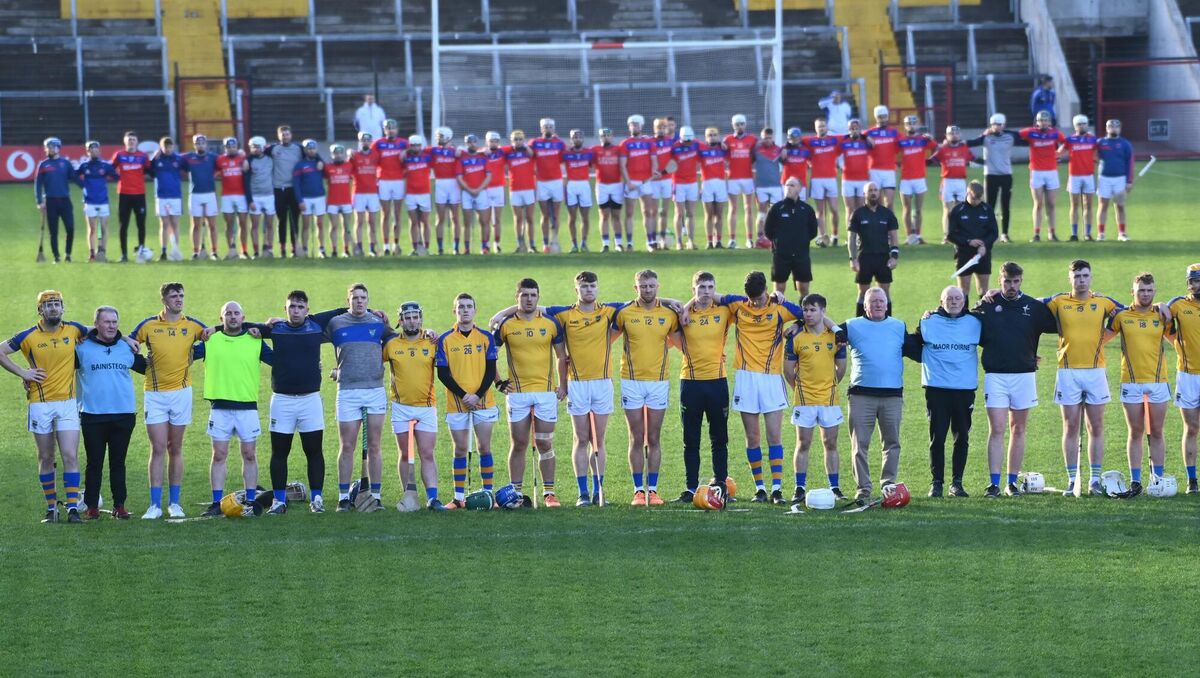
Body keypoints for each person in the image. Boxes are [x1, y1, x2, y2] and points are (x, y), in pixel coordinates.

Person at [254, 290, 346, 514]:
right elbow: (241, 325)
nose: (296, 311)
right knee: (279, 452)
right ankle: (279, 501)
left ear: (307, 310)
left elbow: (344, 311)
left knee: (314, 450)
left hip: (310, 400)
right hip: (282, 401)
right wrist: (212, 330)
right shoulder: (276, 328)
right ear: (285, 309)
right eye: (292, 307)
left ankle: (317, 499)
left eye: (300, 307)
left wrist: (376, 313)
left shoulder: (316, 324)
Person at [541, 272, 628, 506]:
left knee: (598, 440)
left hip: (602, 383)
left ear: (597, 288)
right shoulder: (564, 313)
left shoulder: (609, 311)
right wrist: (501, 314)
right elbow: (530, 307)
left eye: (592, 286)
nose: (589, 290)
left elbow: (640, 302)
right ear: (576, 290)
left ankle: (599, 490)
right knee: (580, 439)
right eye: (584, 287)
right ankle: (583, 494)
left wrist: (678, 305)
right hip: (576, 384)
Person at [0, 291, 87, 523]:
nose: (53, 308)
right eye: (48, 305)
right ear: (40, 310)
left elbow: (103, 333)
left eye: (57, 304)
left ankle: (72, 509)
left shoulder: (75, 330)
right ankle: (51, 508)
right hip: (40, 405)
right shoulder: (27, 336)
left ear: (63, 308)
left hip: (68, 404)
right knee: (46, 456)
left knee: (70, 455)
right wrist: (23, 372)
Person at [972, 261, 1057, 497]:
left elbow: (1063, 322)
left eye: (1015, 281)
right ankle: (994, 483)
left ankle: (1011, 483)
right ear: (1000, 280)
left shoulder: (1033, 306)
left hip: (1024, 376)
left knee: (1018, 429)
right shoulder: (987, 305)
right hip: (996, 376)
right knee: (997, 428)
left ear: (1021, 281)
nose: (1011, 286)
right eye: (1007, 281)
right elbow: (963, 322)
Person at [719, 272, 804, 504]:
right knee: (752, 437)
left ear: (767, 290)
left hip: (771, 378)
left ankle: (777, 488)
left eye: (758, 298)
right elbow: (707, 297)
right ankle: (760, 488)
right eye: (752, 299)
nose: (755, 303)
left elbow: (810, 314)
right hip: (746, 378)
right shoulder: (738, 304)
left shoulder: (779, 306)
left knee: (774, 435)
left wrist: (796, 326)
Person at [1043, 260, 1123, 496]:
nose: (1081, 280)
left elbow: (1129, 312)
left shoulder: (1103, 302)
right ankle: (1072, 479)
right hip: (1067, 372)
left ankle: (1094, 480)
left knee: (1095, 425)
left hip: (1095, 371)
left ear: (1091, 278)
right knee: (1070, 426)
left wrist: (1104, 338)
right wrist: (995, 292)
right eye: (1077, 276)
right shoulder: (1058, 301)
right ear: (1070, 278)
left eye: (1085, 276)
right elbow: (1026, 305)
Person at [134, 282, 206, 519]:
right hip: (154, 394)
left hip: (182, 393)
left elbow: (214, 337)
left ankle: (174, 503)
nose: (179, 299)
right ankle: (154, 505)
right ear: (163, 300)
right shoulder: (148, 325)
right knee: (157, 448)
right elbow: (128, 342)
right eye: (174, 296)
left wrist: (195, 355)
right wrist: (140, 364)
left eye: (181, 296)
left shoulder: (193, 325)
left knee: (175, 447)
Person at [195, 301, 273, 517]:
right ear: (221, 319)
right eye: (227, 314)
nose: (232, 317)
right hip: (219, 408)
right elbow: (186, 354)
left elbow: (278, 360)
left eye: (236, 313)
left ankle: (250, 500)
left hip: (247, 408)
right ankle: (216, 503)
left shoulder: (255, 340)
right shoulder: (211, 340)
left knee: (249, 454)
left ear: (243, 317)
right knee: (219, 454)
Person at [494, 279, 568, 506]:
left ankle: (549, 492)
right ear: (517, 297)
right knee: (519, 444)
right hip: (517, 394)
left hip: (546, 393)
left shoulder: (551, 323)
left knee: (545, 443)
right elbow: (491, 356)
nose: (528, 299)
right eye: (524, 295)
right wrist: (499, 382)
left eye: (533, 295)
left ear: (538, 297)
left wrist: (563, 385)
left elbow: (560, 356)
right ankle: (516, 492)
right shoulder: (506, 325)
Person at [905, 286, 981, 497]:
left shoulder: (976, 323)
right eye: (949, 298)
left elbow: (997, 341)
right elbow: (911, 345)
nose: (954, 301)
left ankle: (957, 483)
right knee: (937, 437)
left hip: (964, 389)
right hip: (936, 388)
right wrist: (927, 360)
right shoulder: (928, 322)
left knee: (962, 437)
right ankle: (936, 483)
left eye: (958, 298)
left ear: (964, 301)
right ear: (941, 302)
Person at [326, 283, 396, 512]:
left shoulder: (378, 323)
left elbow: (401, 342)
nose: (359, 301)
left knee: (375, 445)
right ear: (348, 300)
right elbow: (308, 333)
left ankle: (375, 496)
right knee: (347, 446)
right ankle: (343, 498)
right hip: (347, 391)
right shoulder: (336, 323)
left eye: (363, 298)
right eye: (355, 298)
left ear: (368, 300)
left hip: (375, 390)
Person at [613, 270, 680, 505]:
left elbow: (682, 343)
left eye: (651, 286)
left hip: (659, 382)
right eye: (643, 286)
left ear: (658, 286)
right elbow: (603, 341)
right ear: (636, 288)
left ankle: (653, 489)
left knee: (653, 437)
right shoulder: (624, 313)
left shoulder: (669, 314)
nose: (647, 290)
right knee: (635, 436)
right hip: (630, 381)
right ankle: (638, 490)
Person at [76, 306, 146, 520]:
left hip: (124, 415)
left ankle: (120, 505)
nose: (111, 326)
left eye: (114, 322)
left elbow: (147, 368)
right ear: (96, 324)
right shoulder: (81, 348)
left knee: (118, 462)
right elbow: (60, 368)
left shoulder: (126, 348)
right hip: (92, 415)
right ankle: (91, 506)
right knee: (94, 462)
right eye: (106, 322)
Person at [1107, 273, 1171, 498]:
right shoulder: (1122, 316)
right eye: (1141, 290)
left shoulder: (1162, 315)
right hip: (1131, 382)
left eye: (1149, 290)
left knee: (1157, 432)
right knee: (1135, 432)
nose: (1145, 294)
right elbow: (1100, 339)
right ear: (1132, 292)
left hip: (1158, 382)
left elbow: (1179, 342)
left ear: (1154, 292)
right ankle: (1135, 481)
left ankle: (1157, 479)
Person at [672, 271, 733, 502]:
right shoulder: (682, 315)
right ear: (693, 290)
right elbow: (667, 304)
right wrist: (685, 308)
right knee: (691, 439)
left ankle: (720, 485)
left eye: (710, 287)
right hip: (690, 383)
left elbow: (740, 300)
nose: (706, 292)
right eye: (701, 287)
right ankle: (691, 488)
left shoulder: (725, 311)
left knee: (719, 438)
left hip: (718, 382)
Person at [435, 293, 499, 508]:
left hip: (484, 402)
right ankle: (458, 497)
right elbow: (443, 374)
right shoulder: (445, 339)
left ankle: (488, 494)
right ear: (454, 311)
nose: (464, 310)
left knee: (484, 448)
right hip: (457, 404)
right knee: (460, 449)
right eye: (460, 307)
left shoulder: (485, 338)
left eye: (469, 306)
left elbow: (491, 371)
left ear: (475, 311)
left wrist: (477, 396)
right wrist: (464, 396)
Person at [843, 287, 906, 501]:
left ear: (887, 305)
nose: (878, 305)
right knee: (859, 444)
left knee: (892, 443)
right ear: (865, 306)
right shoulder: (852, 326)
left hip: (892, 396)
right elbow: (825, 327)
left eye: (881, 301)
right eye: (873, 302)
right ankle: (863, 488)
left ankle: (889, 486)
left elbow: (919, 347)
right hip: (861, 395)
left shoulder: (898, 326)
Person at [784, 293, 847, 504]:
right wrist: (801, 388)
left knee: (830, 443)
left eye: (813, 310)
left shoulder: (834, 336)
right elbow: (788, 371)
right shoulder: (796, 336)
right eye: (806, 310)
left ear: (823, 312)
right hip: (805, 400)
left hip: (829, 399)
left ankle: (835, 487)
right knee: (803, 443)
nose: (808, 314)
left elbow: (842, 368)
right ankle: (799, 487)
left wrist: (830, 384)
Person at [383, 301, 446, 510]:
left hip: (426, 407)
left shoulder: (432, 342)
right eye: (407, 318)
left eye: (415, 317)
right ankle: (409, 494)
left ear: (421, 318)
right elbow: (372, 363)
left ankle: (432, 497)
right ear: (400, 321)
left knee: (427, 453)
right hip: (401, 407)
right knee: (404, 454)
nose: (412, 321)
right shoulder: (391, 344)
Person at [966, 113, 1024, 243]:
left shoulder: (1010, 136)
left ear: (1003, 125)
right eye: (993, 124)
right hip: (991, 175)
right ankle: (991, 234)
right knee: (989, 206)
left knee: (1005, 205)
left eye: (999, 124)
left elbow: (1025, 139)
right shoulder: (985, 137)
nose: (996, 127)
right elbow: (971, 143)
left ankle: (1005, 233)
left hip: (1006, 175)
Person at [1168, 264, 1200, 493]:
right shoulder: (1178, 305)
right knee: (1191, 427)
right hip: (1187, 375)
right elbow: (1160, 323)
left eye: (1198, 281)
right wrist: (1177, 345)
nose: (1195, 286)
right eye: (1192, 281)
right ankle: (1192, 480)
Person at [847, 182, 900, 316]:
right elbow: (851, 238)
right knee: (862, 292)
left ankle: (887, 323)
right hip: (864, 258)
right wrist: (853, 259)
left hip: (883, 258)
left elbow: (894, 236)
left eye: (875, 190)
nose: (873, 193)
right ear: (864, 194)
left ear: (879, 193)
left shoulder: (887, 214)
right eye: (870, 190)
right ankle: (860, 322)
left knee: (885, 292)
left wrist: (894, 256)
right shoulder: (857, 214)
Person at [764, 177, 819, 299]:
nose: (788, 187)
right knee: (778, 291)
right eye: (787, 185)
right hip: (781, 255)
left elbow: (813, 231)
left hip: (801, 255)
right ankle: (777, 316)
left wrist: (801, 241)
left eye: (792, 185)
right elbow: (768, 231)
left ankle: (804, 316)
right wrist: (781, 242)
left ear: (800, 188)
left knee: (804, 289)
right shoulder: (776, 209)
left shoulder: (807, 209)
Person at [946, 180, 999, 297]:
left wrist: (984, 244)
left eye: (979, 199)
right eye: (974, 198)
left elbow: (994, 233)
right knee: (963, 291)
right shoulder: (958, 210)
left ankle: (982, 314)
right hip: (964, 254)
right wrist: (968, 241)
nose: (976, 201)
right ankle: (963, 314)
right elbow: (950, 234)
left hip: (983, 254)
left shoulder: (987, 209)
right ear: (967, 193)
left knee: (984, 290)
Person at [1019, 111, 1065, 242]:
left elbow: (1065, 142)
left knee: (1051, 204)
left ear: (1049, 122)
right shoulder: (1030, 132)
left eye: (1046, 120)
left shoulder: (1055, 133)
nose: (1043, 123)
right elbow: (1017, 135)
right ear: (1037, 122)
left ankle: (1052, 233)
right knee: (1038, 204)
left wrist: (1059, 153)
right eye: (1041, 120)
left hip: (1051, 172)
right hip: (1036, 172)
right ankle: (1036, 234)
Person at [34, 137, 76, 263]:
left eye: (52, 147)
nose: (49, 149)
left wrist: (88, 187)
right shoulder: (43, 164)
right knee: (53, 231)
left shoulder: (66, 163)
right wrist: (39, 201)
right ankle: (56, 256)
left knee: (70, 228)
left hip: (65, 201)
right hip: (50, 202)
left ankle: (68, 254)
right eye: (48, 147)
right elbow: (38, 184)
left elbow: (75, 178)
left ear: (58, 148)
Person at [76, 140, 119, 262]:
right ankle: (92, 253)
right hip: (89, 201)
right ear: (87, 151)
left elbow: (117, 176)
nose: (94, 152)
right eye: (91, 150)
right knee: (92, 229)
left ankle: (102, 252)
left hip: (103, 201)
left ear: (99, 151)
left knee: (104, 228)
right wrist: (83, 185)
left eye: (96, 150)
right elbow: (74, 176)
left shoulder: (105, 166)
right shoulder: (84, 166)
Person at [111, 131, 152, 261]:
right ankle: (124, 255)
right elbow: (110, 169)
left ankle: (141, 251)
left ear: (137, 141)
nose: (131, 141)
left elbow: (149, 170)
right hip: (124, 194)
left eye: (133, 139)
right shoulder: (119, 155)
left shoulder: (143, 156)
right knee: (123, 225)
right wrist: (119, 178)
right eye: (129, 139)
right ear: (125, 141)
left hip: (139, 194)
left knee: (141, 224)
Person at [619, 115, 657, 251]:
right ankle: (629, 243)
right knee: (629, 213)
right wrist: (628, 182)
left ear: (641, 126)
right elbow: (622, 165)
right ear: (629, 127)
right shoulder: (625, 144)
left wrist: (654, 172)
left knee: (648, 212)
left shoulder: (649, 143)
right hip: (631, 182)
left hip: (646, 182)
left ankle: (650, 241)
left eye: (637, 124)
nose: (635, 127)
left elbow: (654, 161)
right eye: (632, 125)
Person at [896, 115, 935, 245]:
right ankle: (909, 236)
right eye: (909, 124)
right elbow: (892, 151)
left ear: (917, 125)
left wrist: (930, 137)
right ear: (905, 126)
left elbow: (936, 146)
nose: (911, 126)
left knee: (918, 209)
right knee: (906, 209)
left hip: (919, 179)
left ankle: (918, 235)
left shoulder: (923, 140)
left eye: (914, 123)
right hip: (906, 179)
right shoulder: (901, 140)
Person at [371, 119, 408, 255]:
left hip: (398, 181)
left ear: (397, 129)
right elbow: (370, 158)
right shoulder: (378, 143)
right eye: (388, 128)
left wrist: (407, 152)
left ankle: (396, 245)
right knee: (385, 214)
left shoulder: (404, 143)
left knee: (397, 214)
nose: (391, 130)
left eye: (393, 128)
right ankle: (386, 245)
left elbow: (415, 154)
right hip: (383, 181)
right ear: (384, 130)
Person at [802, 118, 841, 247]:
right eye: (819, 127)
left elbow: (850, 135)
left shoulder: (834, 140)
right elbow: (794, 141)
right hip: (817, 179)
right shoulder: (810, 141)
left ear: (826, 127)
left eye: (823, 126)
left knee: (834, 209)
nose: (821, 128)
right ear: (815, 128)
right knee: (820, 211)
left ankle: (835, 235)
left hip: (831, 178)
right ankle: (823, 237)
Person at [181, 134, 220, 260]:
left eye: (202, 143)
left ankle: (214, 252)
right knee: (196, 225)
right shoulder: (188, 157)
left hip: (210, 194)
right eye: (198, 143)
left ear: (206, 144)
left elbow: (224, 163)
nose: (200, 145)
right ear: (194, 144)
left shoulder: (213, 157)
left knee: (212, 225)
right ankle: (195, 252)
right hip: (195, 194)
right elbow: (174, 159)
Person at [1061, 115, 1098, 242]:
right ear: (1075, 126)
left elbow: (1097, 154)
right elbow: (1060, 152)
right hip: (1074, 176)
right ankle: (1074, 234)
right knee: (1074, 204)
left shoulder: (1093, 139)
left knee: (1088, 205)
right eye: (1079, 124)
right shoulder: (1070, 139)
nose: (1081, 126)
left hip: (1088, 175)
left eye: (1083, 123)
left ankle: (1087, 233)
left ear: (1087, 125)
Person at [1096, 119, 1135, 242]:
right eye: (1110, 126)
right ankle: (1101, 233)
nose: (1113, 129)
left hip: (1120, 179)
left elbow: (1130, 163)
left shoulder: (1125, 144)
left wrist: (1129, 181)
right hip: (1104, 178)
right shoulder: (1100, 143)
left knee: (1120, 206)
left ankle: (1122, 233)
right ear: (1106, 128)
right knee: (1102, 205)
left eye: (1116, 127)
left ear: (1120, 128)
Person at [530, 118, 565, 253]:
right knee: (544, 215)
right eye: (546, 127)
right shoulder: (534, 143)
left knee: (555, 215)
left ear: (554, 129)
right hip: (542, 183)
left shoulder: (559, 143)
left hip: (556, 182)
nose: (548, 129)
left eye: (550, 127)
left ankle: (554, 240)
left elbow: (562, 158)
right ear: (541, 128)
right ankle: (545, 243)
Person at [931, 125, 971, 243]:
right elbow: (933, 160)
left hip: (961, 181)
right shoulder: (943, 149)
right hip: (947, 181)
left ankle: (959, 233)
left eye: (956, 133)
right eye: (951, 133)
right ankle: (947, 235)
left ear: (960, 135)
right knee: (947, 209)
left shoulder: (964, 148)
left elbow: (971, 158)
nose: (954, 135)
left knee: (961, 209)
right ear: (946, 136)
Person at [146, 136, 184, 261]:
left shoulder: (178, 159)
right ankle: (163, 251)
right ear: (161, 148)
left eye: (170, 146)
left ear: (173, 147)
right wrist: (152, 160)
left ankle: (176, 250)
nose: (168, 149)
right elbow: (148, 172)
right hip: (161, 196)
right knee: (164, 224)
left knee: (175, 224)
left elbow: (190, 164)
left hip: (175, 196)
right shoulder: (157, 160)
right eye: (165, 147)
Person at [724, 113, 758, 249]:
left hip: (748, 178)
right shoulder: (727, 140)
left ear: (745, 124)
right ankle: (732, 239)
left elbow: (755, 157)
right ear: (733, 125)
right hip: (733, 178)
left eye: (742, 124)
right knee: (732, 209)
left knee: (748, 208)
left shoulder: (752, 139)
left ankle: (749, 238)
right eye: (737, 124)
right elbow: (724, 156)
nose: (739, 126)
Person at [216, 137, 251, 259]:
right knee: (229, 224)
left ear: (237, 147)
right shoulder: (220, 160)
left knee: (243, 223)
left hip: (241, 195)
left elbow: (248, 169)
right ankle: (231, 249)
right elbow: (213, 171)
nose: (231, 149)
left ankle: (244, 251)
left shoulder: (243, 158)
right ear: (225, 148)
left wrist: (245, 158)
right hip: (226, 195)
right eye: (228, 147)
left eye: (233, 146)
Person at [458, 134, 492, 256]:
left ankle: (485, 247)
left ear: (477, 143)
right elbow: (459, 177)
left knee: (484, 221)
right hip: (467, 193)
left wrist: (479, 189)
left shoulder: (483, 157)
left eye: (474, 142)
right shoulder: (462, 158)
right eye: (469, 142)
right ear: (466, 144)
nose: (472, 144)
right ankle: (466, 248)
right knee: (467, 223)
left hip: (481, 192)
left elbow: (488, 176)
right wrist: (469, 189)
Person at [504, 130, 538, 253]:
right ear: (512, 141)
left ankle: (532, 245)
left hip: (529, 188)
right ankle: (520, 244)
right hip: (515, 189)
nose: (518, 142)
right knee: (518, 218)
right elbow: (496, 150)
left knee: (529, 218)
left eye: (520, 139)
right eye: (515, 139)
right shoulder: (508, 152)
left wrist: (525, 146)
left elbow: (531, 153)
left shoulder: (528, 151)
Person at [431, 126, 463, 255]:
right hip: (440, 184)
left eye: (442, 136)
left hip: (453, 184)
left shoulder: (456, 151)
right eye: (438, 136)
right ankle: (440, 248)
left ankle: (456, 247)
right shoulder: (432, 151)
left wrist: (458, 150)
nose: (439, 138)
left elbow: (469, 153)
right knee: (440, 218)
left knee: (455, 217)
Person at [592, 128, 624, 252]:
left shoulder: (618, 150)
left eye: (608, 135)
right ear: (600, 137)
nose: (605, 137)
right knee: (604, 215)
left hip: (617, 185)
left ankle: (618, 243)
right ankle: (605, 243)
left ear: (612, 137)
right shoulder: (595, 150)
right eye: (603, 136)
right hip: (602, 186)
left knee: (616, 215)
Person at [292, 139, 326, 258]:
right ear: (305, 150)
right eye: (309, 149)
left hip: (319, 197)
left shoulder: (320, 163)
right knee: (306, 225)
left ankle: (321, 249)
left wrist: (322, 163)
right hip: (306, 198)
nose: (311, 151)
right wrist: (300, 200)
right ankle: (305, 248)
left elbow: (327, 175)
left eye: (313, 148)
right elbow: (296, 184)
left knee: (320, 224)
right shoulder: (300, 165)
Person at [838, 119, 872, 236]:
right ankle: (850, 235)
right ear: (848, 130)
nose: (854, 130)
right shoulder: (844, 142)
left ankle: (860, 235)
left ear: (860, 129)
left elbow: (874, 146)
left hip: (863, 179)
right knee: (850, 209)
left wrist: (866, 136)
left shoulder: (866, 141)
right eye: (852, 128)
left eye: (856, 128)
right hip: (847, 180)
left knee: (861, 208)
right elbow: (838, 156)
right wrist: (842, 166)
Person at [245, 135, 276, 258]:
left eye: (257, 147)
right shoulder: (248, 161)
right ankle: (256, 251)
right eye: (252, 147)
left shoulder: (271, 158)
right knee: (255, 225)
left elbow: (277, 147)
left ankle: (269, 249)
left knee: (269, 224)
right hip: (255, 197)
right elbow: (246, 182)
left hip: (269, 196)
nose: (254, 149)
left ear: (263, 147)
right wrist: (250, 200)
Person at [562, 129, 593, 252]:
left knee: (585, 217)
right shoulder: (566, 153)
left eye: (579, 136)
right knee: (572, 217)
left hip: (584, 185)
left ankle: (584, 243)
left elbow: (593, 164)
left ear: (583, 138)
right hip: (571, 186)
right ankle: (574, 244)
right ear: (571, 139)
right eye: (574, 137)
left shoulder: (589, 153)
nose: (577, 139)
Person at [350, 132, 381, 256]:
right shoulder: (354, 156)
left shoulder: (376, 155)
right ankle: (359, 248)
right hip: (358, 192)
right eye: (363, 140)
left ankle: (372, 248)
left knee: (372, 221)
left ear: (371, 142)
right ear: (360, 141)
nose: (366, 142)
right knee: (359, 221)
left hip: (372, 193)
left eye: (368, 140)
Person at [751, 127, 783, 245]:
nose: (767, 140)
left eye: (769, 138)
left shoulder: (778, 150)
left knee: (776, 212)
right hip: (761, 187)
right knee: (762, 212)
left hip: (776, 186)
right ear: (761, 138)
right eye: (765, 138)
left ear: (773, 138)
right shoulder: (756, 150)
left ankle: (777, 236)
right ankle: (760, 237)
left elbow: (786, 161)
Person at [669, 127, 700, 250]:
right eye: (685, 141)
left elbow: (709, 147)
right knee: (679, 213)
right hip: (678, 183)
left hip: (692, 183)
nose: (688, 143)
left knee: (691, 213)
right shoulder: (674, 147)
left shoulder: (696, 145)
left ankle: (691, 241)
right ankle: (679, 242)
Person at [698, 127, 729, 249]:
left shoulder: (723, 149)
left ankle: (719, 241)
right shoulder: (701, 149)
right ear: (706, 137)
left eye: (715, 135)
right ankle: (709, 241)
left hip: (720, 183)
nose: (712, 137)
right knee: (709, 214)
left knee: (719, 214)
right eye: (709, 135)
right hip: (707, 184)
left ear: (718, 136)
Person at [402, 134, 433, 255]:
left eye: (418, 145)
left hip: (424, 193)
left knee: (425, 221)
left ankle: (426, 247)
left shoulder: (427, 157)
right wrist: (406, 151)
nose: (415, 148)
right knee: (413, 221)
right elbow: (400, 158)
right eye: (413, 145)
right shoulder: (406, 158)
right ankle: (415, 248)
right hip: (411, 193)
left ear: (421, 146)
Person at [324, 143, 355, 257]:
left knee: (347, 227)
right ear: (332, 154)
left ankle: (346, 250)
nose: (338, 155)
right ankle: (334, 250)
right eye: (335, 153)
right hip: (332, 201)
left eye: (340, 153)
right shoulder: (327, 167)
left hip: (346, 201)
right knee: (334, 226)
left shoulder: (349, 165)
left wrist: (352, 152)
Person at [866, 105, 899, 207]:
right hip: (874, 170)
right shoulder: (870, 133)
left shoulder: (894, 132)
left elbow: (907, 140)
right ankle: (878, 223)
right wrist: (865, 137)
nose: (883, 119)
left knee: (889, 203)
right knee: (877, 203)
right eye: (880, 117)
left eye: (885, 116)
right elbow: (853, 135)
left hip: (889, 170)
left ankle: (890, 223)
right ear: (876, 117)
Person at [651, 118, 676, 248]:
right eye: (658, 128)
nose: (660, 130)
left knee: (664, 212)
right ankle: (652, 240)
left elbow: (674, 162)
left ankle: (662, 239)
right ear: (654, 128)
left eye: (662, 128)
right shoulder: (649, 142)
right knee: (653, 212)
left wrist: (664, 173)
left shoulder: (670, 142)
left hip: (666, 181)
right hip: (654, 182)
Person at [484, 131, 507, 253]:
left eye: (495, 141)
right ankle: (485, 245)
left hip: (499, 189)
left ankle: (497, 244)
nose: (493, 143)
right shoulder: (482, 153)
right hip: (486, 189)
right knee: (486, 219)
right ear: (487, 142)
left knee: (497, 220)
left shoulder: (503, 152)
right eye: (491, 141)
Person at [780, 127, 811, 202]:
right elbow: (781, 161)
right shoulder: (784, 149)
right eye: (792, 137)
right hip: (787, 183)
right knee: (787, 206)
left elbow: (811, 162)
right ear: (789, 138)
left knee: (802, 207)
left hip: (801, 183)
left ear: (800, 137)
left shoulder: (806, 150)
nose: (794, 140)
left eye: (796, 137)